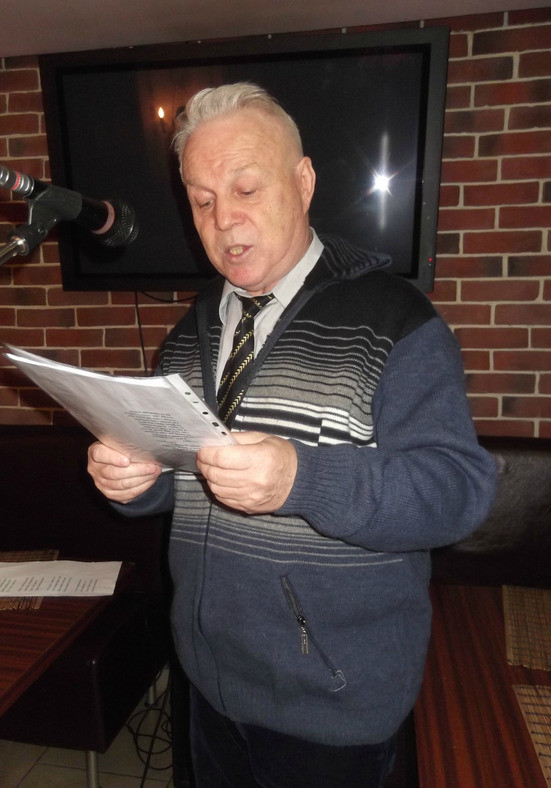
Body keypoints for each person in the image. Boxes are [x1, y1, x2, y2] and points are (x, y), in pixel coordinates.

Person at [88, 83, 497, 787]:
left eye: (246, 188)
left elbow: (457, 492)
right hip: (208, 682)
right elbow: (184, 482)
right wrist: (137, 481)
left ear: (303, 183)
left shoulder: (396, 320)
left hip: (333, 703)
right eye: (202, 200)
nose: (224, 219)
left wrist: (302, 479)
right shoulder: (187, 334)